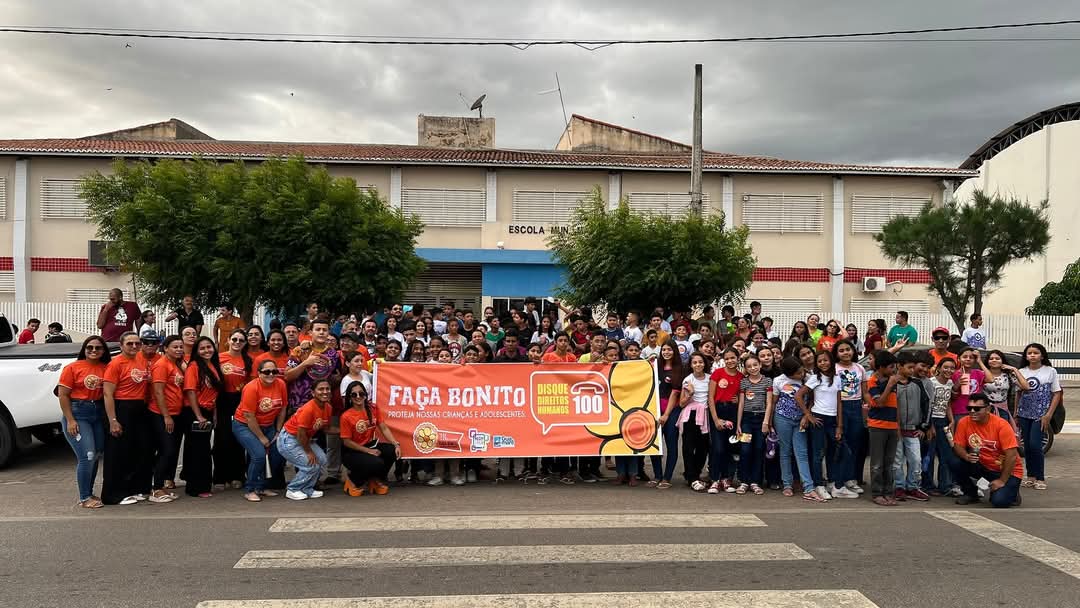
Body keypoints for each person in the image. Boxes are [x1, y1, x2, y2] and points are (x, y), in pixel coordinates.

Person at [57, 336, 111, 508]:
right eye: (90, 347)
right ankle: (84, 497)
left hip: (97, 413)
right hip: (78, 413)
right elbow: (63, 395)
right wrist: (71, 420)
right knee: (86, 455)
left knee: (95, 455)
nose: (94, 351)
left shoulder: (107, 368)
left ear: (103, 351)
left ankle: (89, 492)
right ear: (84, 349)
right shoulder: (72, 368)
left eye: (98, 348)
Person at [101, 331, 153, 505]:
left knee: (139, 450)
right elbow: (108, 394)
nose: (134, 347)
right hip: (121, 408)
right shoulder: (115, 364)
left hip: (140, 408)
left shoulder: (142, 360)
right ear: (121, 345)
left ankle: (134, 488)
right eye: (130, 343)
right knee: (118, 453)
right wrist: (113, 420)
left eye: (137, 343)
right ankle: (114, 494)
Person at [951, 392, 1024, 508]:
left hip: (1007, 470)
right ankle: (971, 493)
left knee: (999, 501)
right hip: (983, 466)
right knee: (954, 461)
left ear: (988, 409)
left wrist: (1002, 480)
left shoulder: (1002, 425)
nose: (972, 412)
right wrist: (966, 456)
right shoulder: (964, 422)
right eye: (969, 408)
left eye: (977, 409)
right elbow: (957, 446)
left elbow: (1012, 456)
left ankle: (1011, 492)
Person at [233, 359, 288, 502]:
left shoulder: (281, 384)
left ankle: (262, 486)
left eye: (274, 371)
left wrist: (278, 430)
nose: (271, 374)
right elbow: (249, 416)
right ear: (259, 373)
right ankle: (250, 489)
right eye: (266, 372)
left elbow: (283, 408)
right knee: (258, 455)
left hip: (269, 425)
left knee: (277, 453)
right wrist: (261, 437)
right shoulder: (251, 388)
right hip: (244, 425)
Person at [766, 356, 818, 501]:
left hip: (801, 420)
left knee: (801, 453)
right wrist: (769, 423)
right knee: (785, 452)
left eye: (802, 371)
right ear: (788, 373)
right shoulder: (778, 380)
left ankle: (808, 486)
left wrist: (806, 416)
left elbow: (813, 399)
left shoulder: (809, 378)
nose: (801, 375)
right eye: (797, 373)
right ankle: (787, 484)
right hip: (782, 418)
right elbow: (774, 402)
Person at [340, 380, 401, 496]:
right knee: (376, 462)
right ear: (349, 397)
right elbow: (347, 442)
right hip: (351, 452)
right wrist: (369, 451)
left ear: (365, 395)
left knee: (392, 451)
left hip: (369, 445)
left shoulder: (372, 408)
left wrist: (396, 444)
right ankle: (352, 481)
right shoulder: (346, 416)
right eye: (354, 394)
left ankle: (375, 480)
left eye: (361, 393)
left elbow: (383, 428)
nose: (358, 397)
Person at [278, 378, 333, 500]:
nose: (325, 392)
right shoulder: (308, 409)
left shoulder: (328, 407)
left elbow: (326, 429)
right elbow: (300, 434)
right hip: (289, 439)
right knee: (311, 464)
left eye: (327, 389)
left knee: (322, 460)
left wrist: (347, 432)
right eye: (321, 389)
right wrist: (309, 452)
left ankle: (307, 488)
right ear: (313, 393)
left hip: (304, 439)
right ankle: (293, 489)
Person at [1016, 343, 1061, 491]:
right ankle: (1031, 476)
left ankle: (1040, 477)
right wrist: (1016, 413)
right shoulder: (1021, 371)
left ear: (1042, 355)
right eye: (1029, 353)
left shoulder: (1050, 371)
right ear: (1026, 356)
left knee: (1036, 445)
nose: (1033, 355)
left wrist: (1048, 414)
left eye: (1036, 353)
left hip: (1040, 415)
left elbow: (1056, 393)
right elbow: (1018, 393)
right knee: (1027, 446)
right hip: (1024, 413)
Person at [182, 336, 222, 498]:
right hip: (194, 412)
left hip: (208, 411)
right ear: (197, 351)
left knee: (203, 448)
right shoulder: (193, 367)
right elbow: (190, 391)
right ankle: (196, 487)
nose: (207, 350)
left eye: (209, 347)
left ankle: (203, 484)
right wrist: (198, 416)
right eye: (202, 348)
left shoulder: (212, 365)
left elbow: (214, 393)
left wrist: (214, 415)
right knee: (198, 451)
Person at [149, 335, 187, 503]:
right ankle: (156, 488)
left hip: (176, 413)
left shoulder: (176, 364)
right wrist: (166, 416)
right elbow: (158, 392)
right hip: (162, 414)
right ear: (165, 348)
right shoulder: (161, 365)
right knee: (166, 450)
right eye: (175, 347)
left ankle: (162, 485)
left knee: (171, 451)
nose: (179, 349)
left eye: (181, 346)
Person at [802, 350, 842, 501]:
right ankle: (818, 484)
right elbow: (799, 395)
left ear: (831, 361)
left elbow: (839, 402)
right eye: (820, 361)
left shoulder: (837, 379)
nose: (823, 363)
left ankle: (832, 482)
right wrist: (808, 415)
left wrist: (839, 425)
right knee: (818, 453)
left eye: (825, 360)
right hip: (818, 418)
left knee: (834, 451)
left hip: (832, 419)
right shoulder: (815, 378)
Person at [892, 351, 931, 502]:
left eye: (913, 367)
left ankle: (913, 487)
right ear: (899, 366)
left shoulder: (917, 383)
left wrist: (924, 426)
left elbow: (926, 404)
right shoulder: (892, 383)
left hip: (913, 429)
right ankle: (899, 487)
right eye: (909, 367)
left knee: (916, 459)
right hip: (896, 430)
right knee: (897, 461)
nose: (912, 370)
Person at [866, 350, 901, 506]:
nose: (893, 370)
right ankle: (877, 492)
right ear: (881, 367)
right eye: (891, 367)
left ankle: (888, 492)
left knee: (889, 462)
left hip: (892, 426)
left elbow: (895, 405)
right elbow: (879, 402)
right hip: (877, 426)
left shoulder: (892, 381)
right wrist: (890, 385)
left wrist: (898, 426)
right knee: (877, 463)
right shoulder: (873, 381)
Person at [706, 348, 742, 494]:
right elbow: (710, 398)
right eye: (727, 358)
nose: (730, 361)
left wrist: (738, 400)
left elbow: (743, 397)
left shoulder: (741, 377)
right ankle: (714, 479)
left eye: (733, 358)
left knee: (730, 447)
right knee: (718, 448)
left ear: (738, 358)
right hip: (718, 410)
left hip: (733, 412)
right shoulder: (717, 374)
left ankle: (727, 479)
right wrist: (715, 419)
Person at [649, 342, 683, 490]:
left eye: (669, 349)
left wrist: (666, 415)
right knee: (655, 444)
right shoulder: (655, 366)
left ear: (674, 351)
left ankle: (667, 477)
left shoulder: (680, 369)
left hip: (672, 411)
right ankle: (657, 475)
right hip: (655, 409)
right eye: (664, 349)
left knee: (671, 443)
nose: (666, 352)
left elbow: (675, 393)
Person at [736, 354, 770, 495]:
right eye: (749, 366)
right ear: (745, 368)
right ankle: (744, 481)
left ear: (760, 365)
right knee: (745, 450)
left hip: (761, 419)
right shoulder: (744, 382)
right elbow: (741, 403)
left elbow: (769, 403)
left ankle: (756, 481)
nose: (753, 368)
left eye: (755, 365)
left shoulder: (767, 381)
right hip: (747, 420)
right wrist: (739, 423)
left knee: (758, 449)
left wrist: (766, 422)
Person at [679, 352, 712, 491]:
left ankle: (694, 474)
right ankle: (692, 478)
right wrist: (690, 394)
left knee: (703, 448)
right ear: (691, 365)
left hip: (705, 414)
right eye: (695, 362)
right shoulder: (688, 380)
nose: (698, 365)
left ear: (704, 363)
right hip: (691, 415)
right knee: (688, 447)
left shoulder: (711, 379)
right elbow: (681, 403)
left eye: (700, 362)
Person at [925, 358, 958, 497]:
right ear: (939, 367)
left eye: (952, 368)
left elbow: (947, 403)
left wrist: (952, 421)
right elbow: (928, 406)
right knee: (930, 455)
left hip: (944, 421)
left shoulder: (950, 383)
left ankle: (945, 485)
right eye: (946, 367)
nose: (948, 370)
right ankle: (927, 485)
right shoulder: (931, 383)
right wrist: (930, 425)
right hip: (932, 420)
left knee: (946, 454)